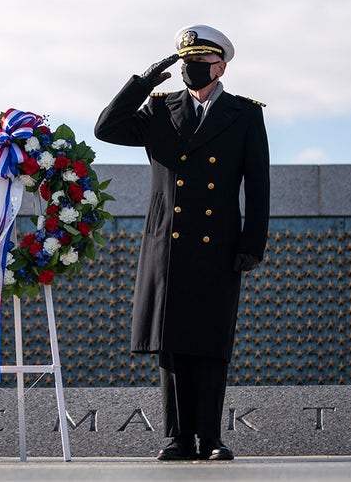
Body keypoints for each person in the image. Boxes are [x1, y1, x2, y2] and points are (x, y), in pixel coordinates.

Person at [94, 24, 269, 461]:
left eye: (199, 63)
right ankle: (177, 437)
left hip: (218, 243)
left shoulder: (244, 114)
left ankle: (210, 437)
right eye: (185, 63)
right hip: (166, 245)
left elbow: (259, 185)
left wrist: (253, 243)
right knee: (171, 343)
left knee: (209, 342)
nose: (190, 70)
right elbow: (106, 128)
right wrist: (143, 83)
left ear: (220, 66)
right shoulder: (158, 109)